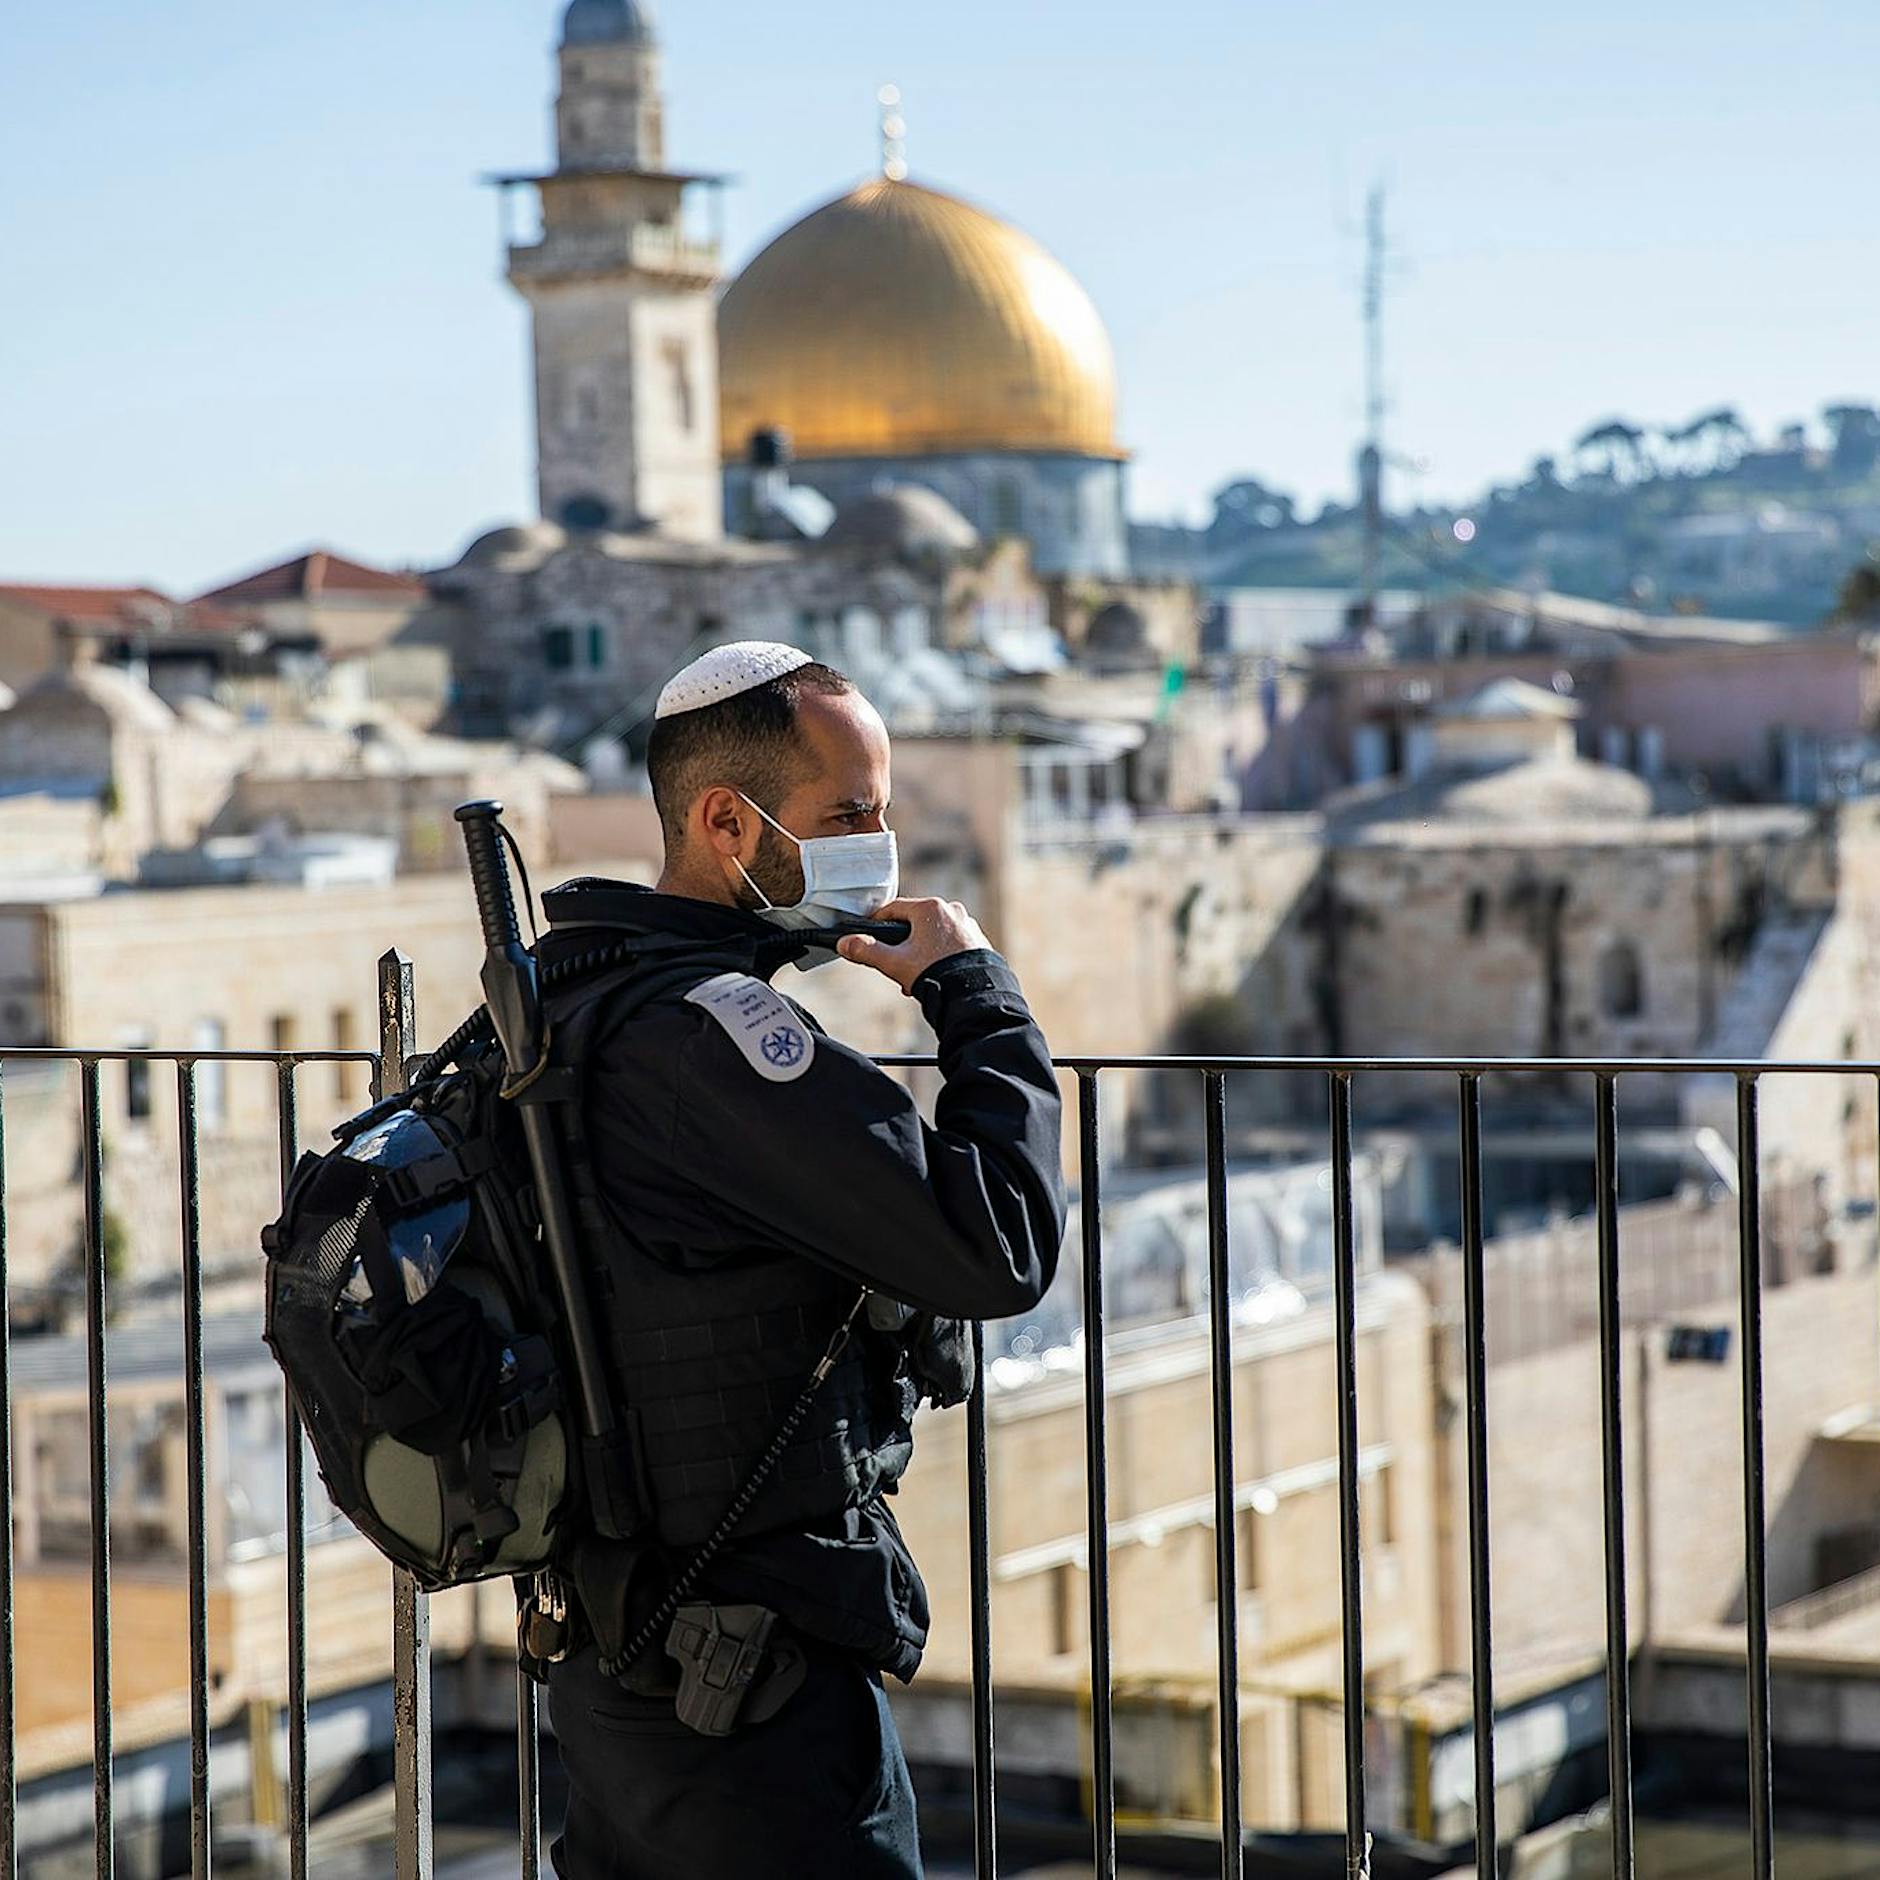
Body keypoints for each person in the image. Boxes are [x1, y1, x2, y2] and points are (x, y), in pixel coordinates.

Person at [536, 641, 1066, 1878]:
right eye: (847, 814)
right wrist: (977, 998)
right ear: (726, 819)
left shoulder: (575, 998)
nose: (875, 843)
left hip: (616, 1661)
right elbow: (995, 1245)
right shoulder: (716, 1036)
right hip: (753, 1703)